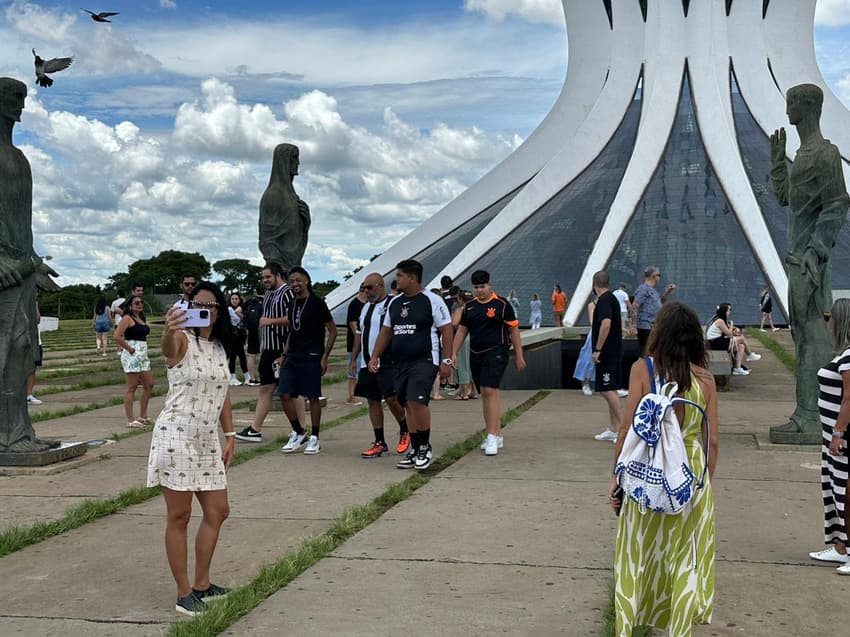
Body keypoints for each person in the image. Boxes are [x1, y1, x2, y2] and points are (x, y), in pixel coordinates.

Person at [609, 301, 719, 636]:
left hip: (648, 475)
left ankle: (632, 622)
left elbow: (627, 430)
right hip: (689, 473)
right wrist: (702, 485)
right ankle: (678, 628)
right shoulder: (706, 379)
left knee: (640, 552)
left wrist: (617, 478)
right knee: (684, 557)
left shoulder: (644, 371)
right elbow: (711, 441)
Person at [147, 281, 235, 617]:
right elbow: (169, 352)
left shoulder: (219, 348)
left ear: (219, 311)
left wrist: (229, 434)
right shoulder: (182, 338)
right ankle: (184, 593)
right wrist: (170, 329)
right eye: (196, 305)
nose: (204, 311)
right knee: (179, 516)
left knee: (218, 511)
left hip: (206, 439)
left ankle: (202, 584)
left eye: (210, 306)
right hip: (176, 436)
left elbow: (223, 391)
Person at [770, 83, 850, 440]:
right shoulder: (802, 155)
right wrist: (776, 163)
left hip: (808, 264)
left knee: (815, 337)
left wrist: (815, 251)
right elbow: (786, 199)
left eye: (791, 103)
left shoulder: (825, 155)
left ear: (806, 106)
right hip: (796, 261)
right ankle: (806, 414)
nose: (788, 110)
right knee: (802, 337)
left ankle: (812, 417)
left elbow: (837, 204)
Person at [0, 77, 59, 454]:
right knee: (5, 349)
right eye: (11, 96)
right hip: (4, 269)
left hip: (20, 269)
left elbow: (21, 220)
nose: (19, 103)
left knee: (21, 351)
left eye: (22, 96)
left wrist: (34, 262)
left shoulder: (18, 157)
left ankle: (18, 431)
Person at [368, 259, 453, 471]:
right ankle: (414, 448)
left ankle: (424, 445)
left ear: (412, 278)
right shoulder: (395, 304)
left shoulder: (431, 300)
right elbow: (386, 331)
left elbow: (447, 330)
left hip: (424, 359)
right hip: (400, 362)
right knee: (406, 403)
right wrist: (375, 355)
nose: (396, 280)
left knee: (417, 401)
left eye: (399, 276)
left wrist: (447, 360)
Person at [452, 270, 526, 456]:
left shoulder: (501, 304)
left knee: (489, 390)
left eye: (482, 287)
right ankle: (495, 433)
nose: (479, 291)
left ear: (489, 285)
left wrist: (519, 355)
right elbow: (462, 331)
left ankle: (492, 435)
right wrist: (452, 353)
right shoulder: (469, 307)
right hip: (476, 354)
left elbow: (514, 330)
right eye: (476, 287)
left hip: (497, 352)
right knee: (485, 394)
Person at [350, 272, 411, 457]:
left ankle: (405, 429)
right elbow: (359, 335)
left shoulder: (392, 303)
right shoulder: (365, 308)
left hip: (387, 361)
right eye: (364, 288)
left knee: (392, 398)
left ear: (380, 286)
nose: (367, 291)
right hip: (367, 362)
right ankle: (379, 441)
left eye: (370, 287)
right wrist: (354, 358)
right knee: (372, 400)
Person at [235, 263, 297, 442]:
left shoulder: (287, 293)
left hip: (282, 347)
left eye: (268, 277)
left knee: (291, 392)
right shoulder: (269, 295)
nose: (265, 280)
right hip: (268, 348)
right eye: (263, 277)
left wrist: (271, 321)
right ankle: (255, 428)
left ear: (278, 275)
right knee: (266, 388)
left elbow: (294, 318)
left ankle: (300, 429)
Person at [278, 267, 337, 455]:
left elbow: (332, 330)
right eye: (292, 281)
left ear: (307, 281)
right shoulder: (292, 303)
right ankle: (299, 431)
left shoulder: (317, 303)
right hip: (293, 356)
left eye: (298, 280)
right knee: (285, 393)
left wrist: (325, 356)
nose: (295, 284)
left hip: (312, 356)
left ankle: (315, 436)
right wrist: (284, 354)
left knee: (312, 397)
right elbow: (292, 332)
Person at [811, 298, 850, 573]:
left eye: (830, 318)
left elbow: (849, 398)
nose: (828, 324)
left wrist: (838, 433)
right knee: (831, 490)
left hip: (841, 440)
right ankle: (840, 546)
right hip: (831, 439)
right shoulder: (843, 355)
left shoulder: (848, 358)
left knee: (844, 492)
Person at [258, 143, 310, 273]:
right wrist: (277, 270)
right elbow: (266, 239)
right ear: (283, 161)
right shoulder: (274, 194)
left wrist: (305, 220)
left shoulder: (291, 195)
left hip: (293, 268)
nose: (298, 163)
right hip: (282, 271)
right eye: (294, 158)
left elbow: (295, 231)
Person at [590, 271, 623, 442]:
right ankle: (614, 428)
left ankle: (623, 430)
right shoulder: (611, 299)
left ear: (594, 284)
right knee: (609, 388)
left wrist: (597, 349)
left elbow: (606, 324)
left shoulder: (604, 301)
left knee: (607, 389)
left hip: (607, 352)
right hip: (612, 351)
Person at [114, 294, 155, 428]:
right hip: (133, 352)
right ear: (130, 306)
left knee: (149, 384)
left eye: (141, 302)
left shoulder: (141, 318)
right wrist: (129, 349)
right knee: (132, 387)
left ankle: (143, 415)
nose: (140, 305)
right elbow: (117, 336)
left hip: (143, 354)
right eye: (137, 303)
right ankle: (130, 420)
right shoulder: (127, 318)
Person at [705, 303, 761, 375]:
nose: (730, 312)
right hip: (715, 344)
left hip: (718, 342)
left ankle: (737, 368)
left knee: (741, 346)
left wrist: (735, 329)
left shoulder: (720, 319)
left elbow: (727, 331)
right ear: (724, 311)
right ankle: (750, 355)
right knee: (741, 338)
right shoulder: (720, 321)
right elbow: (729, 334)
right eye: (729, 310)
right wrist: (731, 324)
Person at [633, 266, 676, 355]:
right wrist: (633, 326)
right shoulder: (643, 289)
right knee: (646, 352)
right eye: (659, 275)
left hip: (652, 326)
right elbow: (635, 306)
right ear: (654, 276)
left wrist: (668, 292)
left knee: (651, 351)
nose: (659, 277)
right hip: (645, 326)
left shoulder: (652, 290)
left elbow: (659, 303)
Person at [451, 288, 478, 401]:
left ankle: (464, 392)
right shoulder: (475, 308)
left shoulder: (460, 310)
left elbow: (454, 324)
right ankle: (474, 391)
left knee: (462, 365)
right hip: (474, 338)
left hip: (463, 338)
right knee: (471, 365)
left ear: (461, 299)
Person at [345, 285, 368, 406]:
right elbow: (353, 324)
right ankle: (351, 395)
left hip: (365, 342)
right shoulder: (355, 304)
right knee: (353, 369)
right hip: (354, 343)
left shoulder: (368, 303)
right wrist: (360, 338)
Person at [573, 296, 597, 397]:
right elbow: (592, 321)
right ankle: (586, 383)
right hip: (595, 333)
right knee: (588, 358)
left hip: (606, 333)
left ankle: (612, 386)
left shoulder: (609, 304)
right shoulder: (592, 305)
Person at [242, 285, 264, 386]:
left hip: (252, 330)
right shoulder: (267, 301)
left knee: (251, 355)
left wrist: (246, 320)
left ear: (256, 291)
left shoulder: (250, 301)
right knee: (264, 354)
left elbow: (237, 311)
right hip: (264, 329)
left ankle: (252, 379)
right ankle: (265, 377)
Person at [227, 293, 248, 386]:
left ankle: (247, 377)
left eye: (236, 298)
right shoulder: (229, 309)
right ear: (230, 300)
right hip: (232, 335)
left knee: (242, 356)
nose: (234, 300)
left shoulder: (242, 309)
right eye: (233, 299)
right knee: (233, 356)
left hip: (240, 335)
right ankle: (232, 377)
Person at [26, 302, 43, 405]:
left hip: (35, 340)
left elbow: (37, 319)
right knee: (30, 369)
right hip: (28, 341)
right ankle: (27, 394)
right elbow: (37, 318)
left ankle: (28, 395)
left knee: (32, 368)